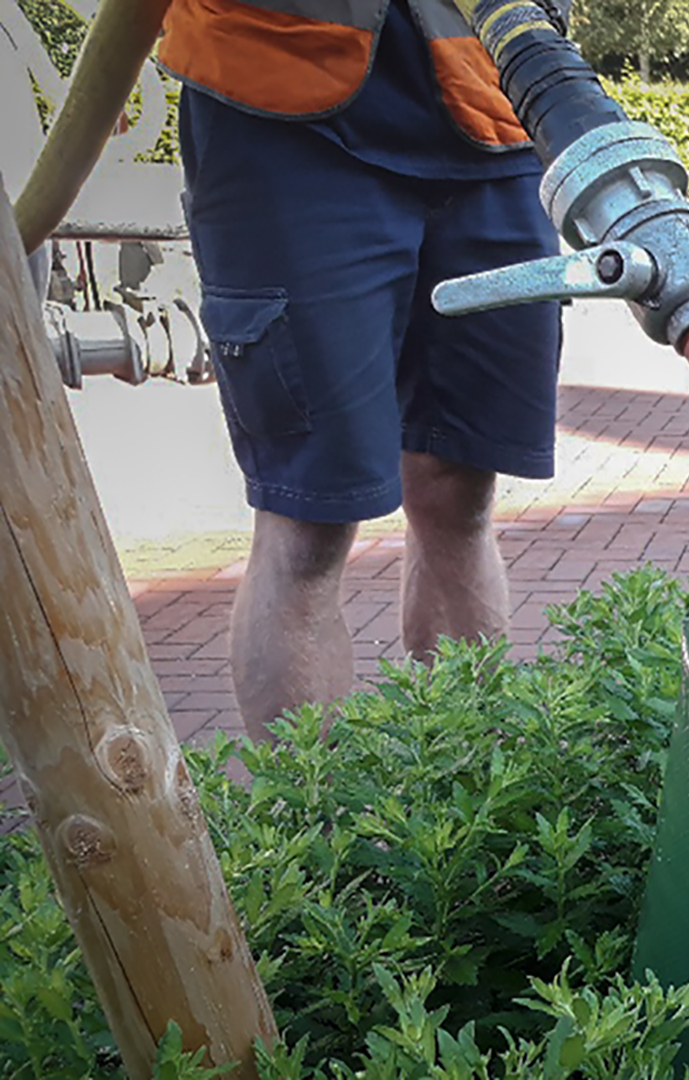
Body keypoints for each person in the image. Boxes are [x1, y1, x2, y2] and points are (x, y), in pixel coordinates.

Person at [156, 0, 564, 739]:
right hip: (281, 104)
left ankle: (462, 818)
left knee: (459, 489)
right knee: (308, 517)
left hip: (490, 105)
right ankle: (317, 836)